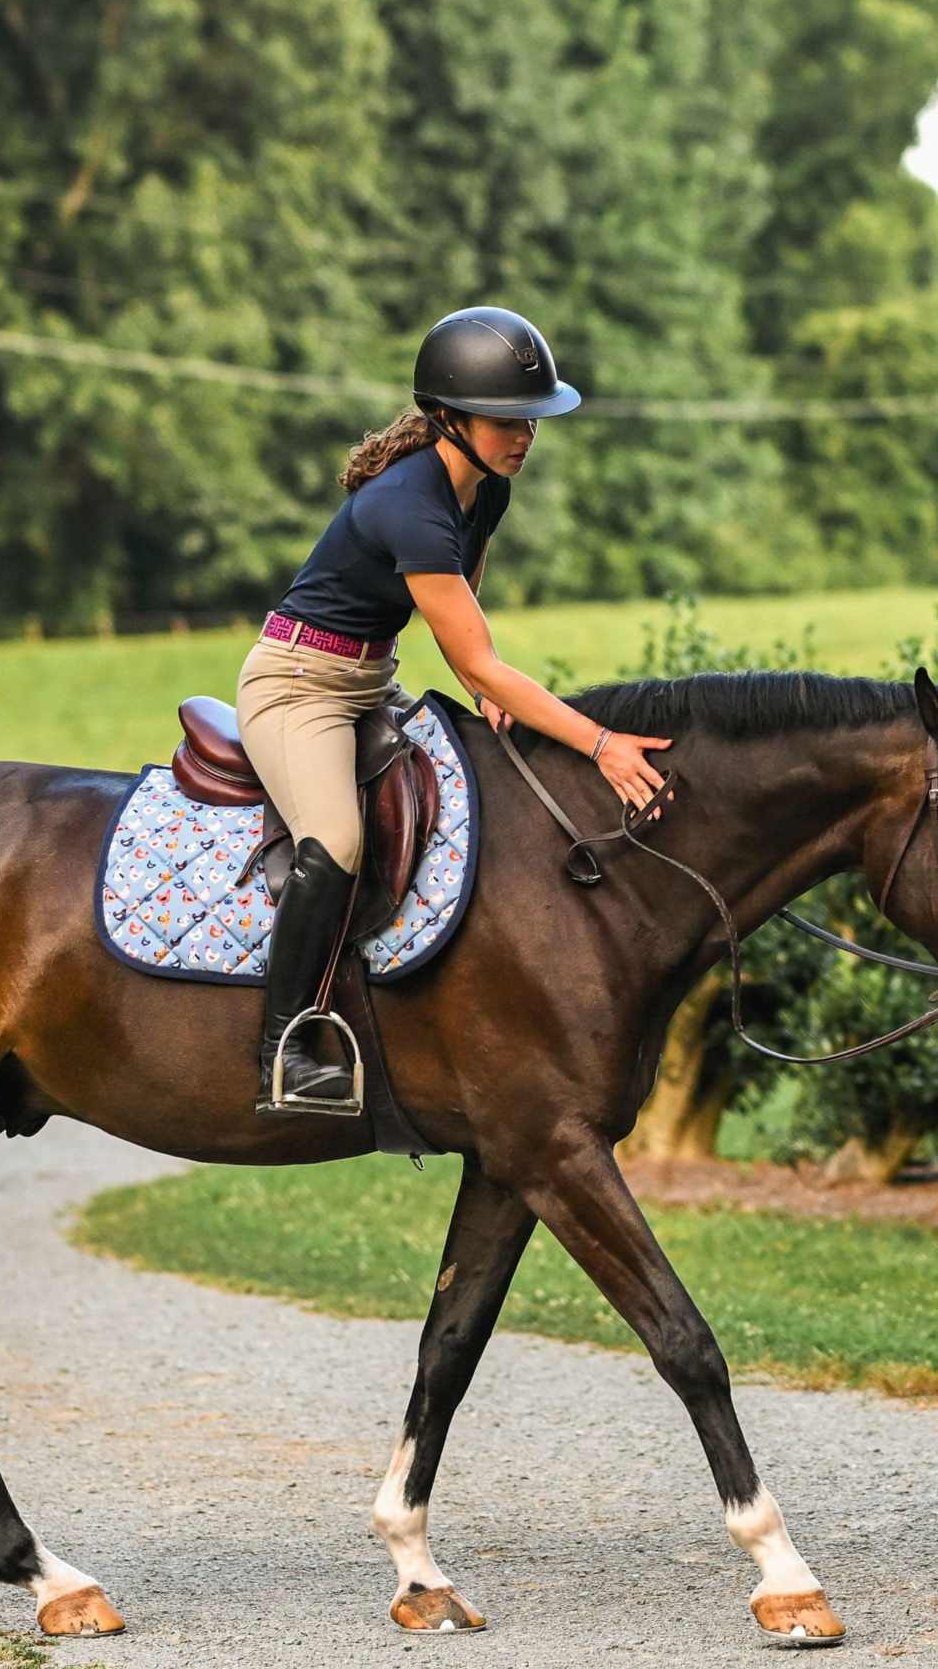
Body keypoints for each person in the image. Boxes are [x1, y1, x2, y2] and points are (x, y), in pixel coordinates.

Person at [239, 304, 672, 1113]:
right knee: (334, 840)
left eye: (531, 421)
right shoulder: (407, 501)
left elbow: (462, 617)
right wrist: (601, 741)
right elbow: (479, 660)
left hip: (372, 680)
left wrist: (482, 686)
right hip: (299, 686)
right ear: (448, 417)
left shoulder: (485, 492)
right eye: (505, 419)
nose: (523, 437)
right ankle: (284, 1046)